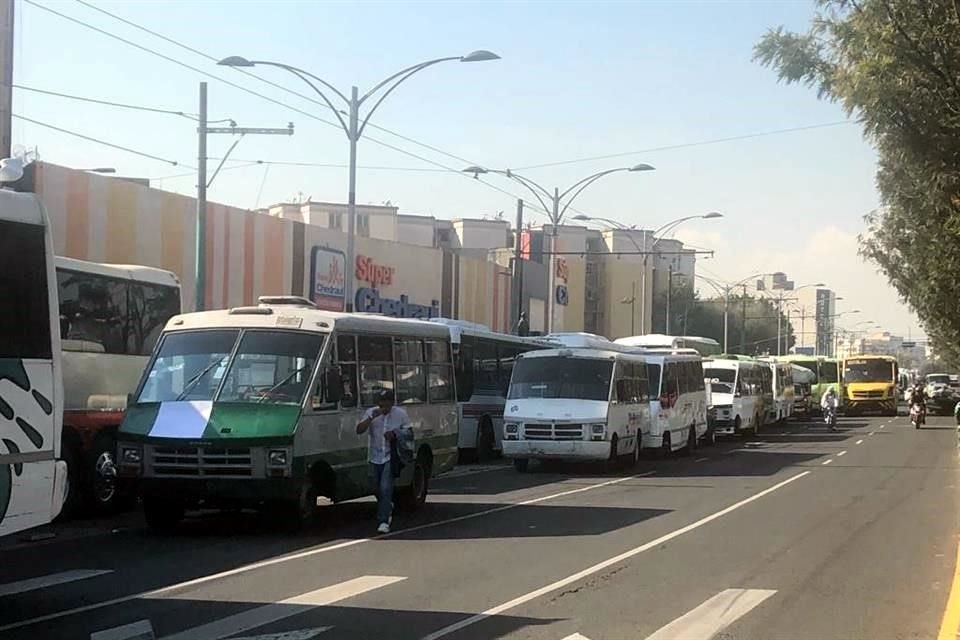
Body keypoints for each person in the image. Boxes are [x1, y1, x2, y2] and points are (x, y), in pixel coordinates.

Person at [356, 389, 409, 534]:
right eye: (381, 404)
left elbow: (409, 432)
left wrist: (395, 434)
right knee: (375, 488)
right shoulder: (371, 413)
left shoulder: (400, 414)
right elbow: (359, 430)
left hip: (390, 457)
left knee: (386, 487)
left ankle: (383, 521)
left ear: (392, 403)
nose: (384, 408)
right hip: (374, 457)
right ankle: (387, 504)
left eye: (386, 405)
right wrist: (370, 419)